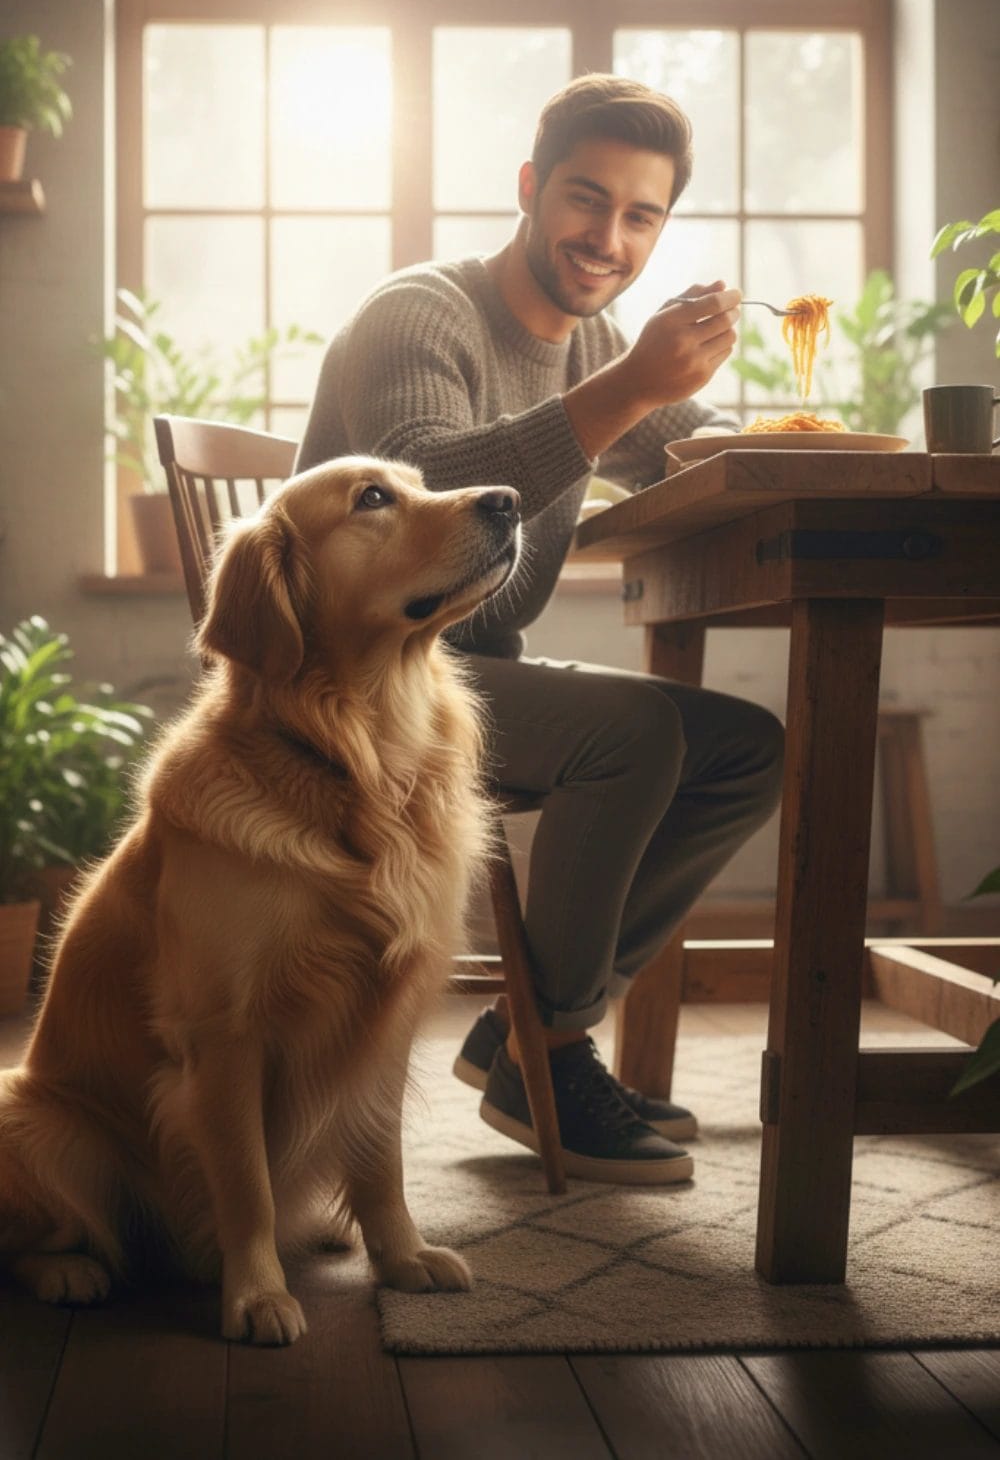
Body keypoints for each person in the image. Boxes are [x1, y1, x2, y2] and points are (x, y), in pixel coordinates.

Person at [295, 73, 784, 1186]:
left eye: (640, 215)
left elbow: (694, 439)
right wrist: (623, 387)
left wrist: (808, 437)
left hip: (471, 674)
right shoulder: (417, 313)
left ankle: (529, 1028)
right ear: (528, 187)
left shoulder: (595, 340)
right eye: (583, 198)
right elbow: (431, 493)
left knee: (747, 749)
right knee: (633, 737)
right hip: (361, 684)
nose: (606, 236)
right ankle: (551, 1050)